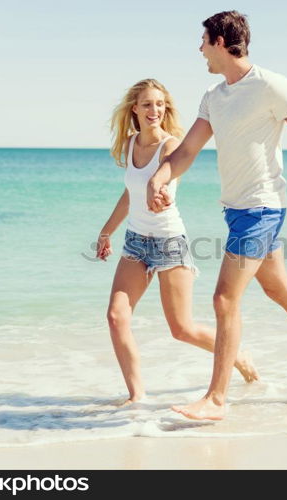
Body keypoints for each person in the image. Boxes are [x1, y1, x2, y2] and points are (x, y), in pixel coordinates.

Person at [147, 11, 287, 420]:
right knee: (279, 289)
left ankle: (215, 399)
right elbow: (187, 150)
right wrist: (160, 177)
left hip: (263, 208)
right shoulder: (214, 96)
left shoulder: (270, 86)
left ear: (221, 41)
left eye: (203, 41)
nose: (199, 50)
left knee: (224, 298)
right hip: (237, 210)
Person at [97, 79, 259, 405]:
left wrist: (159, 193)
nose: (154, 110)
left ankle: (236, 356)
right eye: (146, 104)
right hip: (135, 243)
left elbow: (166, 178)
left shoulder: (171, 146)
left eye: (159, 104)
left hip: (169, 241)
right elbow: (130, 195)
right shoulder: (129, 145)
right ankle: (137, 395)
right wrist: (106, 232)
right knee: (116, 317)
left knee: (181, 329)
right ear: (135, 108)